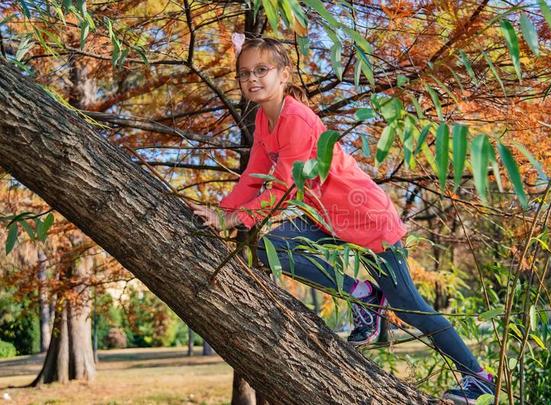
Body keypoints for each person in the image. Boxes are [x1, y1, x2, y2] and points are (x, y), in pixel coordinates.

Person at [189, 36, 495, 404]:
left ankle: (478, 377)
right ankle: (362, 295)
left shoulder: (295, 119)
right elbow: (255, 176)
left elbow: (284, 186)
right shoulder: (264, 120)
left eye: (261, 70)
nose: (252, 79)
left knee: (409, 307)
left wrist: (235, 219)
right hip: (327, 217)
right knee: (275, 246)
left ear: (284, 75)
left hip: (367, 218)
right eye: (244, 73)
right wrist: (223, 212)